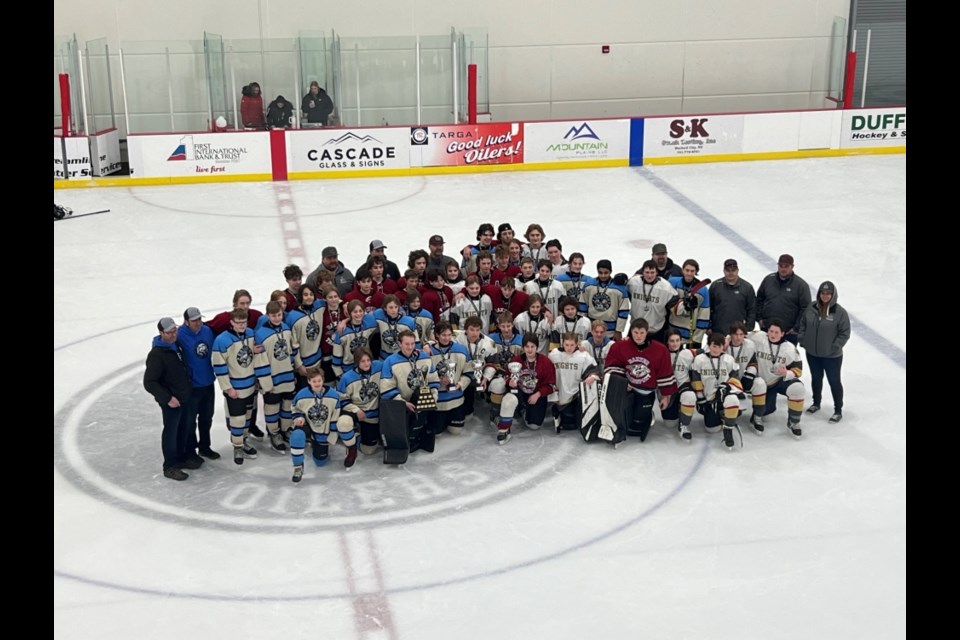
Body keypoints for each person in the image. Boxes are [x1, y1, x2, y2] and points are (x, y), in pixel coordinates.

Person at [604, 318, 678, 443]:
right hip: (627, 390)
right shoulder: (620, 347)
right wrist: (622, 383)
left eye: (642, 332)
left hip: (646, 391)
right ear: (631, 332)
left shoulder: (660, 350)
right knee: (626, 424)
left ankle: (647, 415)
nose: (638, 336)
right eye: (636, 332)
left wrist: (665, 396)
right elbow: (612, 366)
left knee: (636, 427)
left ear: (647, 332)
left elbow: (664, 372)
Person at [143, 317, 195, 481]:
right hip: (171, 401)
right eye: (170, 332)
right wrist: (167, 398)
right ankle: (170, 466)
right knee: (171, 433)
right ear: (161, 333)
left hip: (184, 397)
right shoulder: (157, 354)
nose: (173, 334)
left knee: (184, 429)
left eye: (175, 330)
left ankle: (181, 458)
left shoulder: (176, 345)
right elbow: (149, 382)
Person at [290, 366, 357, 483]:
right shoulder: (301, 395)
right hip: (308, 426)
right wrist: (299, 418)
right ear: (309, 381)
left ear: (323, 380)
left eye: (319, 381)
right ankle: (298, 467)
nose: (317, 383)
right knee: (296, 435)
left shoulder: (333, 395)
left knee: (321, 462)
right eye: (314, 381)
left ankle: (316, 443)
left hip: (323, 431)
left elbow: (335, 417)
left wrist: (331, 435)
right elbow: (295, 409)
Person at [211, 308, 260, 464]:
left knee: (247, 418)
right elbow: (219, 367)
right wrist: (227, 388)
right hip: (235, 389)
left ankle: (243, 441)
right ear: (231, 322)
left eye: (244, 322)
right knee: (237, 420)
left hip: (251, 385)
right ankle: (237, 446)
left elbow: (254, 356)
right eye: (238, 323)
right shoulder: (222, 340)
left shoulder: (251, 334)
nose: (242, 325)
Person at [380, 330, 441, 454]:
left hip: (421, 400)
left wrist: (434, 395)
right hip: (401, 404)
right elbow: (386, 388)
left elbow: (434, 379)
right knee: (406, 433)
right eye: (407, 344)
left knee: (424, 424)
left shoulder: (425, 357)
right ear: (399, 344)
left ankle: (420, 437)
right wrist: (403, 403)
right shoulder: (390, 361)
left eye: (412, 343)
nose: (410, 347)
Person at [798, 281, 850, 423]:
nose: (825, 296)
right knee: (816, 378)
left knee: (834, 381)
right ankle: (816, 403)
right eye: (823, 293)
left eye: (828, 294)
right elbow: (803, 323)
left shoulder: (839, 313)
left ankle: (838, 410)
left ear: (833, 295)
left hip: (831, 356)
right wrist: (803, 339)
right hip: (813, 354)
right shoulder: (811, 307)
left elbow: (844, 333)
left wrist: (834, 347)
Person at [686, 332, 744, 449]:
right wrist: (701, 399)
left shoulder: (728, 360)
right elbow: (696, 380)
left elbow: (735, 379)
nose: (716, 349)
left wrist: (727, 387)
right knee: (712, 429)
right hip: (709, 400)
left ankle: (728, 429)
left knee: (733, 399)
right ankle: (724, 416)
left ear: (723, 347)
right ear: (708, 345)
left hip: (724, 396)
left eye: (719, 347)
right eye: (713, 346)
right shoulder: (700, 360)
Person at [747, 318, 805, 438]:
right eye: (771, 331)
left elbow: (798, 369)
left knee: (797, 388)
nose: (773, 335)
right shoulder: (758, 337)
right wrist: (726, 340)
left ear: (783, 333)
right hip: (763, 383)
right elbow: (739, 334)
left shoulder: (789, 348)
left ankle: (794, 421)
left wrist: (786, 373)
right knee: (766, 412)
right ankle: (757, 417)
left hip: (779, 381)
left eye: (776, 332)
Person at [496, 333, 557, 444]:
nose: (529, 349)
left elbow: (551, 385)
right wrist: (510, 382)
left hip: (536, 396)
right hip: (519, 393)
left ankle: (523, 410)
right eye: (527, 346)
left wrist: (538, 394)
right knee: (509, 400)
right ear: (523, 347)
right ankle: (503, 429)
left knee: (534, 425)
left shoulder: (545, 362)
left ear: (537, 347)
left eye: (532, 346)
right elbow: (506, 377)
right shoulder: (516, 360)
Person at [254, 301, 298, 454]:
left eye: (279, 315)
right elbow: (260, 361)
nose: (277, 318)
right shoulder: (260, 334)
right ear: (267, 315)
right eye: (273, 315)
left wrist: (293, 373)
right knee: (272, 409)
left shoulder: (286, 328)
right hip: (272, 379)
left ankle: (286, 430)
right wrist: (266, 382)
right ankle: (274, 434)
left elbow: (291, 352)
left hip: (287, 375)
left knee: (287, 406)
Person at [177, 307, 219, 460]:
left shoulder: (207, 331)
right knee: (190, 421)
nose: (198, 323)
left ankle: (205, 446)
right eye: (194, 320)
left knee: (207, 417)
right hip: (192, 387)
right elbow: (162, 342)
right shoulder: (180, 335)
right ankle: (190, 450)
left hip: (208, 382)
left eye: (199, 319)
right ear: (186, 322)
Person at [548, 332, 599, 434]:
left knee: (572, 424)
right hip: (559, 392)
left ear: (577, 344)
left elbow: (594, 370)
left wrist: (592, 376)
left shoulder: (583, 355)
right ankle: (557, 411)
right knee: (568, 422)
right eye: (566, 345)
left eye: (572, 345)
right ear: (562, 343)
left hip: (576, 394)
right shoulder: (554, 354)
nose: (569, 348)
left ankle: (562, 413)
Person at [336, 347, 383, 456]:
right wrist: (356, 410)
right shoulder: (347, 378)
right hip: (357, 412)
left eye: (368, 360)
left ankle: (359, 434)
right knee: (344, 422)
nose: (366, 364)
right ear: (357, 362)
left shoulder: (378, 366)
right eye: (362, 361)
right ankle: (351, 440)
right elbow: (342, 401)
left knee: (368, 450)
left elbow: (394, 361)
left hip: (373, 416)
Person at [756, 254, 812, 345]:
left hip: (788, 333)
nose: (783, 269)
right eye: (781, 266)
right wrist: (760, 319)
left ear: (792, 267)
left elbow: (805, 309)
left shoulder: (801, 285)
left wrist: (796, 328)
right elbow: (759, 299)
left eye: (786, 266)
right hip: (767, 330)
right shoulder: (768, 280)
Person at [428, 321, 472, 435]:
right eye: (443, 335)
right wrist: (438, 381)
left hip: (456, 399)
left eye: (449, 335)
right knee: (437, 432)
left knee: (456, 430)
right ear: (436, 335)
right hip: (438, 403)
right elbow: (424, 376)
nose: (446, 338)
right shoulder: (429, 352)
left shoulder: (461, 349)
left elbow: (469, 372)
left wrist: (459, 384)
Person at [659, 328, 700, 442]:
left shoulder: (688, 353)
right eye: (672, 341)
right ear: (667, 341)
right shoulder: (661, 353)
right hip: (667, 389)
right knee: (669, 423)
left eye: (677, 340)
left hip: (683, 385)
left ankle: (684, 425)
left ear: (681, 341)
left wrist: (727, 341)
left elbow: (710, 350)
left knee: (690, 396)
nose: (675, 343)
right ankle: (677, 408)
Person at [627, 259, 676, 343]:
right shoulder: (633, 283)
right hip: (635, 330)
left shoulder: (666, 287)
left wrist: (685, 305)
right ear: (642, 272)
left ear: (657, 272)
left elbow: (675, 306)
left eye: (652, 272)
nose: (649, 275)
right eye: (647, 272)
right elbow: (622, 293)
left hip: (656, 331)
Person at [667, 259, 711, 349]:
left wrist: (697, 338)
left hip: (691, 333)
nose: (689, 273)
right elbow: (668, 304)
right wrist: (684, 303)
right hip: (673, 331)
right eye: (687, 270)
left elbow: (704, 314)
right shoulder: (672, 282)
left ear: (696, 272)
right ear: (682, 270)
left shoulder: (702, 290)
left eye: (692, 271)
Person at [582, 259, 630, 340]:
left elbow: (623, 311)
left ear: (611, 271)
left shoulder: (619, 288)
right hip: (592, 328)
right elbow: (583, 306)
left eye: (606, 273)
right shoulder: (589, 285)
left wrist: (618, 330)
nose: (603, 275)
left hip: (611, 330)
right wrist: (583, 325)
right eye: (600, 272)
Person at [709, 258, 757, 336]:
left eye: (733, 270)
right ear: (724, 271)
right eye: (728, 270)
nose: (731, 273)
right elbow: (708, 308)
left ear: (738, 270)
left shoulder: (747, 287)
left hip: (738, 334)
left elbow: (752, 310)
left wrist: (747, 329)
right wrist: (708, 327)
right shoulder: (716, 286)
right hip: (718, 332)